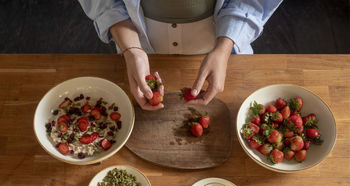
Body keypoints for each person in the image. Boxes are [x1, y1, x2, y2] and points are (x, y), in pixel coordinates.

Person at [78, 0, 282, 110]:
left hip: (226, 48)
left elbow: (251, 2)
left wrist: (223, 49)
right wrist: (133, 50)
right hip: (135, 42)